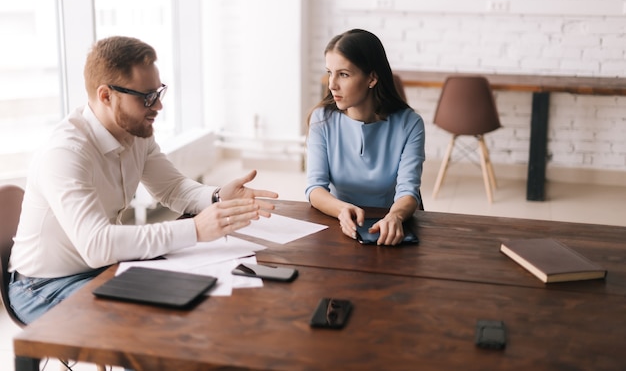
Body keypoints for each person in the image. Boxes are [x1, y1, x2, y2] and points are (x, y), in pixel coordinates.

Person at [8, 36, 278, 325]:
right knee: (146, 326)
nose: (158, 105)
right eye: (146, 96)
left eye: (159, 92)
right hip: (45, 285)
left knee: (200, 298)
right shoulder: (65, 153)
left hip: (103, 266)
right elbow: (97, 244)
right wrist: (196, 229)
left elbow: (172, 187)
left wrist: (217, 196)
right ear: (106, 95)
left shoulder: (135, 132)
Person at [305, 29, 425, 246]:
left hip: (387, 229)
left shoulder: (410, 124)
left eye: (343, 74)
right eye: (329, 72)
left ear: (372, 78)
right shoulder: (321, 119)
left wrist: (395, 216)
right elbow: (315, 188)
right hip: (337, 224)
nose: (332, 84)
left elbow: (408, 191)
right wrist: (342, 210)